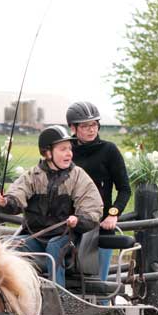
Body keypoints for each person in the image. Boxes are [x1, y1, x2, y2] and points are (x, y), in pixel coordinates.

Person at [0, 125, 102, 288]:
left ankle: (57, 295)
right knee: (10, 245)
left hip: (67, 238)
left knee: (54, 244)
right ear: (47, 153)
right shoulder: (33, 176)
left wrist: (79, 220)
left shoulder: (78, 176)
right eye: (63, 149)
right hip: (36, 238)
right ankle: (15, 293)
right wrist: (6, 202)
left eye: (70, 149)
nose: (69, 153)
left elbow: (92, 209)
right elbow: (17, 194)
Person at [67, 101, 132, 282]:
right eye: (85, 126)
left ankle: (103, 307)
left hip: (100, 226)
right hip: (71, 225)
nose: (91, 129)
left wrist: (113, 214)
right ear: (73, 128)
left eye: (94, 124)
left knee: (98, 283)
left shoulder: (109, 150)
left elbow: (124, 189)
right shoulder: (66, 151)